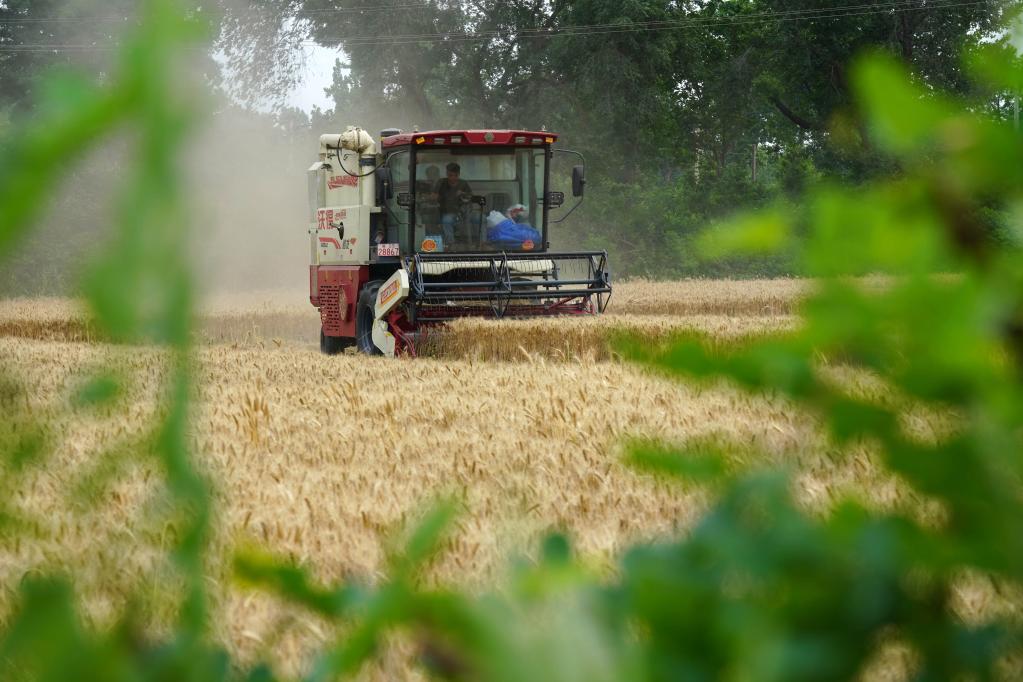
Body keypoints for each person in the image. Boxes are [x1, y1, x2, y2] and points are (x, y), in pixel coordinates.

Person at [436, 162, 472, 245]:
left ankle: (483, 243)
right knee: (446, 220)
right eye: (450, 175)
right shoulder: (441, 183)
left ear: (458, 174)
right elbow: (434, 195)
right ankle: (450, 244)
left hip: (465, 212)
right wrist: (434, 196)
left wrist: (463, 193)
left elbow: (470, 197)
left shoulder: (463, 183)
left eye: (455, 175)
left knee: (482, 219)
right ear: (447, 173)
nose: (452, 178)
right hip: (448, 212)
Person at [416, 165, 441, 233]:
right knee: (425, 218)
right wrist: (427, 197)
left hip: (443, 209)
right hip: (427, 210)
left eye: (434, 173)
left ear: (438, 174)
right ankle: (430, 235)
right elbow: (418, 198)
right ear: (427, 175)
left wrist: (438, 197)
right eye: (430, 174)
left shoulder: (444, 184)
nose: (432, 176)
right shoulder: (422, 185)